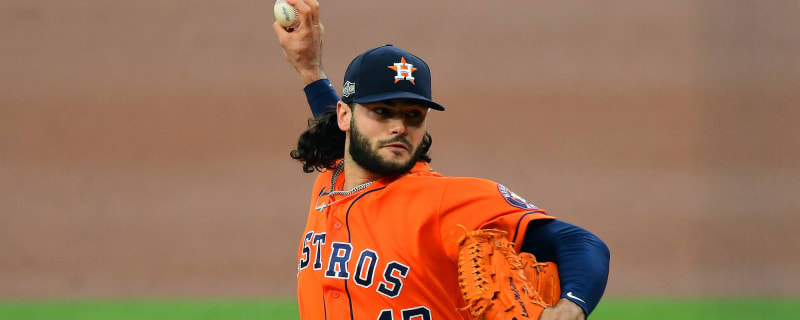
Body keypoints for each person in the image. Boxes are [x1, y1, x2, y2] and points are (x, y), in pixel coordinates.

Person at [272, 1, 610, 319]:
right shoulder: (335, 176)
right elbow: (344, 137)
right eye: (382, 112)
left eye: (414, 115)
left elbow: (580, 243)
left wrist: (571, 308)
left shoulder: (448, 201)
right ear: (346, 118)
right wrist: (309, 69)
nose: (399, 127)